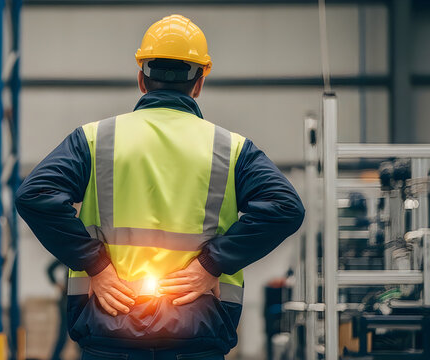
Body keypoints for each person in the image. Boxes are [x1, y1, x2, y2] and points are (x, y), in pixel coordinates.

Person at [16, 14, 305, 360]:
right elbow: (287, 207)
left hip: (109, 335)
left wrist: (97, 266)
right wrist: (209, 265)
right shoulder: (230, 149)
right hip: (198, 335)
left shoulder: (95, 140)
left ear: (141, 78)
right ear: (198, 83)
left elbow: (34, 195)